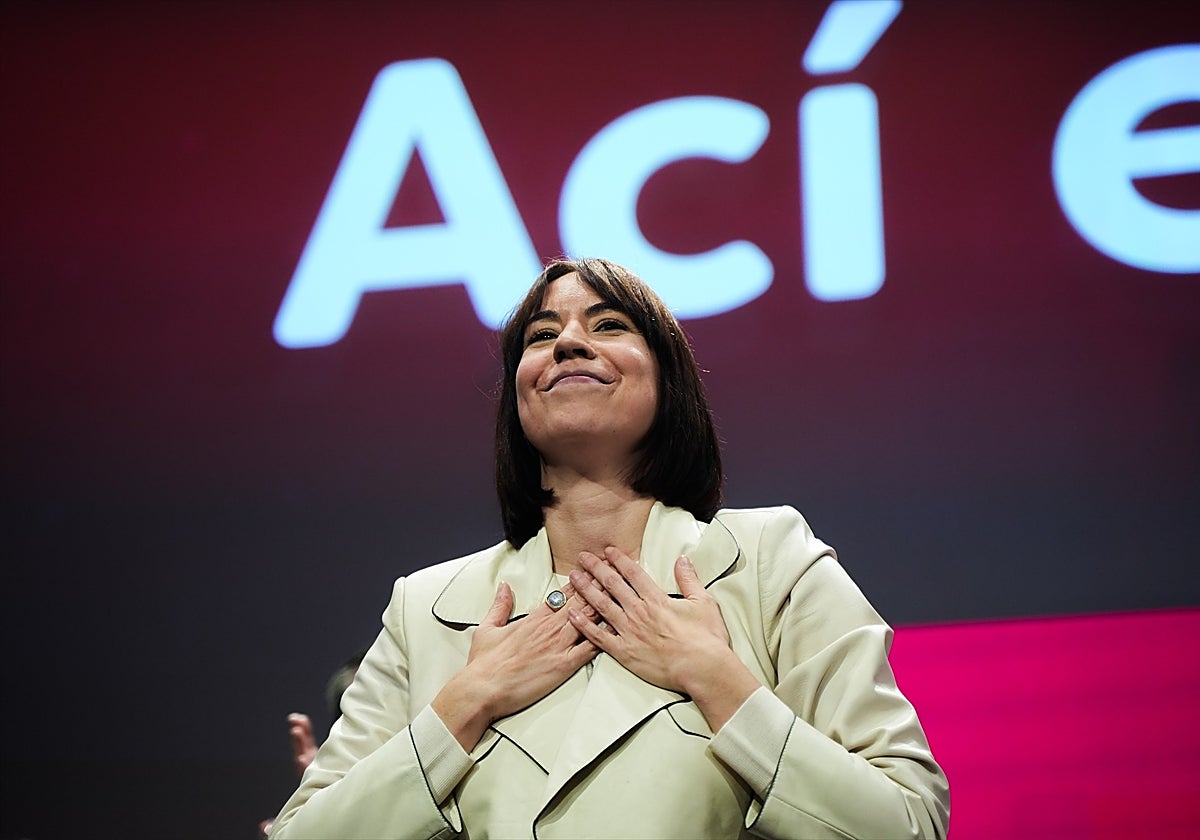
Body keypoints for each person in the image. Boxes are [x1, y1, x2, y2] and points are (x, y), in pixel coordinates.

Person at [269, 258, 949, 838]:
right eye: (542, 334)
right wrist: (464, 702)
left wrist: (717, 680)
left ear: (666, 382)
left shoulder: (771, 561)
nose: (568, 344)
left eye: (609, 325)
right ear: (518, 395)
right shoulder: (426, 609)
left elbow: (909, 821)